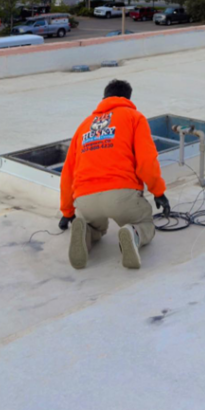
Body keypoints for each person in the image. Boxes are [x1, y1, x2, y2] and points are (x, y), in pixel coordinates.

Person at [59, 78, 170, 270]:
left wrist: (67, 211)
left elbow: (68, 171)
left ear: (104, 98)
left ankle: (86, 230)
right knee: (145, 224)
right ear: (128, 98)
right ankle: (133, 232)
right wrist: (158, 192)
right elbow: (146, 161)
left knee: (94, 226)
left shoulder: (84, 126)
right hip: (122, 195)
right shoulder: (134, 117)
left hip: (86, 198)